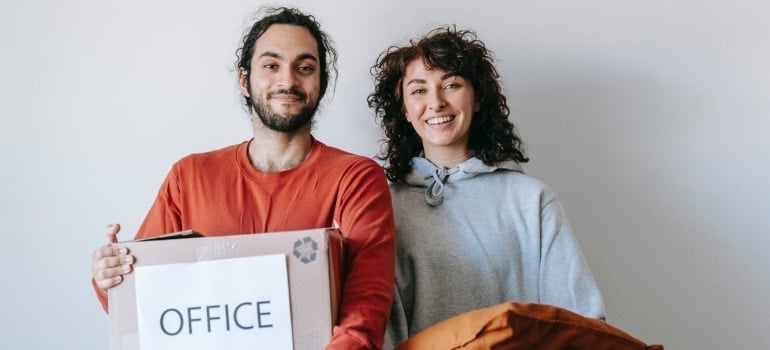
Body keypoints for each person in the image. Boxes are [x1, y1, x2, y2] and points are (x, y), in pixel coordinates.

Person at [90, 7, 395, 349]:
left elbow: (365, 310)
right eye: (271, 65)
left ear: (321, 83)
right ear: (244, 79)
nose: (288, 80)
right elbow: (144, 306)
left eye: (305, 68)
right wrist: (111, 277)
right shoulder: (188, 177)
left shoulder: (355, 178)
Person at [367, 26, 606, 348]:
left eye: (451, 85)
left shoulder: (531, 200)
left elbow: (582, 323)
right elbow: (379, 327)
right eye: (418, 90)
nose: (436, 102)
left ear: (477, 98)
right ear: (404, 110)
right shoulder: (382, 207)